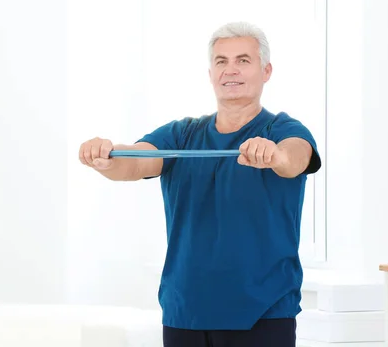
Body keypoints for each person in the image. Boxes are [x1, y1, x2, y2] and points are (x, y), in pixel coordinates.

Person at [79, 22, 321, 347]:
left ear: (266, 71)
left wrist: (274, 155)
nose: (230, 70)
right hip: (185, 313)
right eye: (221, 61)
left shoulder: (282, 129)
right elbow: (136, 161)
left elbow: (296, 157)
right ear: (210, 73)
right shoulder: (182, 134)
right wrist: (107, 159)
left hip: (263, 314)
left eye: (243, 60)